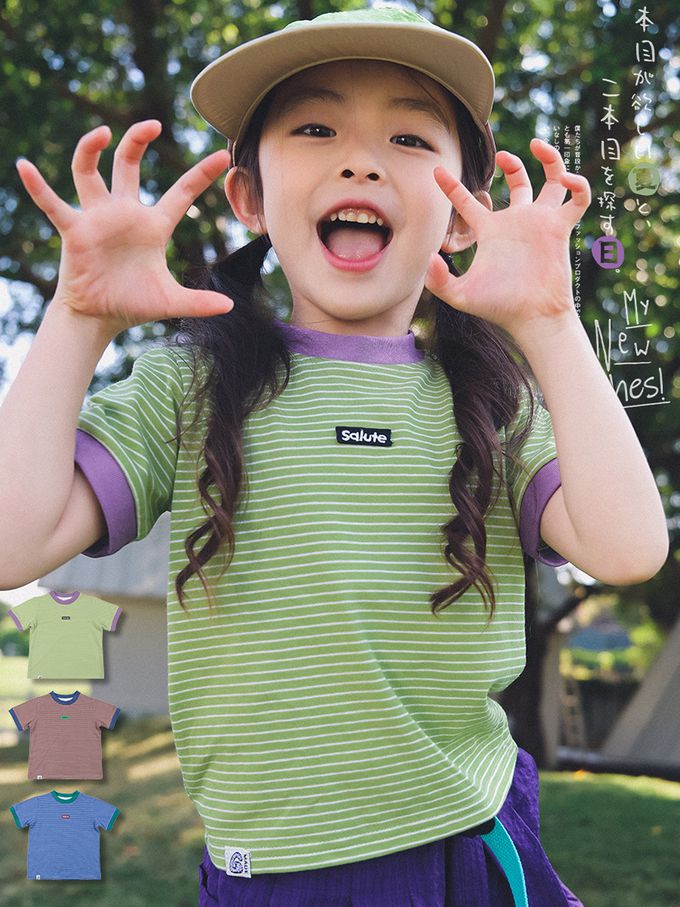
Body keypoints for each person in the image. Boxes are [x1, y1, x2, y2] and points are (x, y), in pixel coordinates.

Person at [2, 6, 668, 906]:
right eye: (315, 128)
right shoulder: (189, 387)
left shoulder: (492, 402)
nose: (360, 161)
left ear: (461, 215)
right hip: (271, 873)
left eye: (408, 136)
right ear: (249, 198)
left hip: (466, 850)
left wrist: (550, 323)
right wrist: (77, 319)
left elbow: (629, 548)